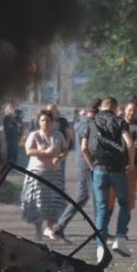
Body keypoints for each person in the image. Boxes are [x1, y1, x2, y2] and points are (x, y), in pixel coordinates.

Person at [87, 96, 134, 262]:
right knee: (124, 203)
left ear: (101, 107)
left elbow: (84, 148)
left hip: (99, 169)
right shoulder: (120, 121)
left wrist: (91, 166)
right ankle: (120, 238)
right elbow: (129, 143)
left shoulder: (92, 122)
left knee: (101, 208)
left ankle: (100, 247)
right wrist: (131, 162)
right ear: (114, 107)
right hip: (118, 170)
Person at [47, 100, 101, 243]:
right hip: (89, 163)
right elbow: (91, 147)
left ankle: (59, 227)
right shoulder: (91, 124)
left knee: (82, 197)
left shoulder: (81, 122)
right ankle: (100, 230)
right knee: (96, 197)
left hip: (82, 162)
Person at [21, 109, 68, 239]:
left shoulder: (57, 135)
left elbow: (65, 150)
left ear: (52, 122)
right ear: (39, 122)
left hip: (54, 173)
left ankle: (49, 228)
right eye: (42, 120)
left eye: (48, 120)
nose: (45, 123)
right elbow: (29, 151)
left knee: (52, 201)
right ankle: (38, 230)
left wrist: (59, 158)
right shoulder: (35, 135)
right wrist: (46, 152)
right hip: (37, 173)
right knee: (38, 201)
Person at [107, 99, 137, 214]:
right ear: (124, 110)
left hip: (132, 167)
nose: (131, 113)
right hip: (116, 166)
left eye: (135, 111)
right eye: (129, 110)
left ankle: (122, 230)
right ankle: (103, 229)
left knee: (129, 199)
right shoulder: (116, 124)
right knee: (110, 198)